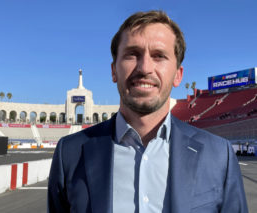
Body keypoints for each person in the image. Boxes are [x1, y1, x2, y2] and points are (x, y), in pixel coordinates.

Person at [48, 10, 248, 213]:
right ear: (113, 71)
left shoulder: (218, 155)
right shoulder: (69, 154)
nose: (145, 68)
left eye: (159, 56)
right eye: (132, 54)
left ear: (178, 75)